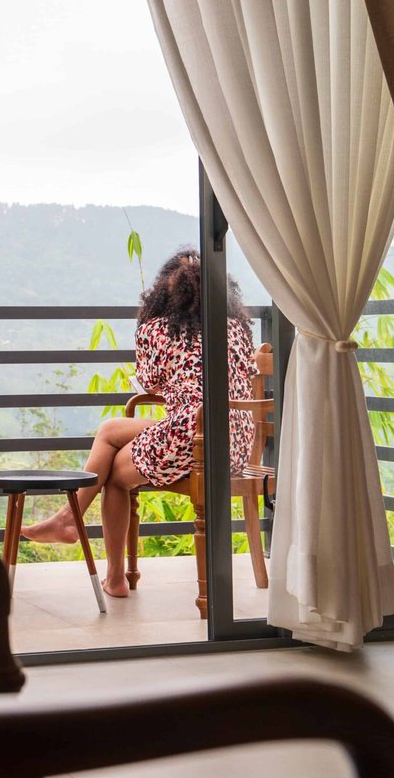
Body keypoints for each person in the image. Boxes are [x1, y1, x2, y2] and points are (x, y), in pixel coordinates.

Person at [21, 248, 260, 598]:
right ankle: (70, 523)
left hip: (191, 435)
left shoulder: (157, 329)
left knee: (114, 471)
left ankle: (105, 563)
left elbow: (150, 383)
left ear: (163, 292)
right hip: (235, 441)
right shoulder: (236, 328)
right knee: (111, 439)